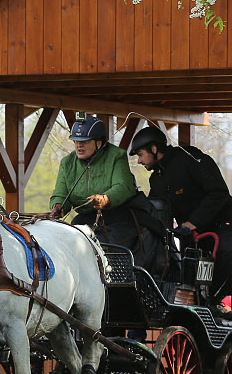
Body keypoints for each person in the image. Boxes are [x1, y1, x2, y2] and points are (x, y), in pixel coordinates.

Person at [130, 125, 232, 318]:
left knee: (226, 254)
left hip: (223, 221)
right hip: (190, 232)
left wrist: (193, 222)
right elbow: (155, 213)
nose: (139, 161)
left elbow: (219, 192)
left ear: (154, 149)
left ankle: (219, 302)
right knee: (187, 267)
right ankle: (190, 306)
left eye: (140, 154)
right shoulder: (156, 180)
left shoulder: (191, 159)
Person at [50, 115, 167, 277]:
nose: (79, 145)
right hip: (86, 220)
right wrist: (58, 206)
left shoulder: (116, 156)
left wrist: (106, 198)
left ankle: (123, 277)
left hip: (119, 217)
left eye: (84, 141)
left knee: (110, 245)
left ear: (99, 142)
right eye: (76, 141)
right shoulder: (67, 163)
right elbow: (60, 193)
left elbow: (124, 186)